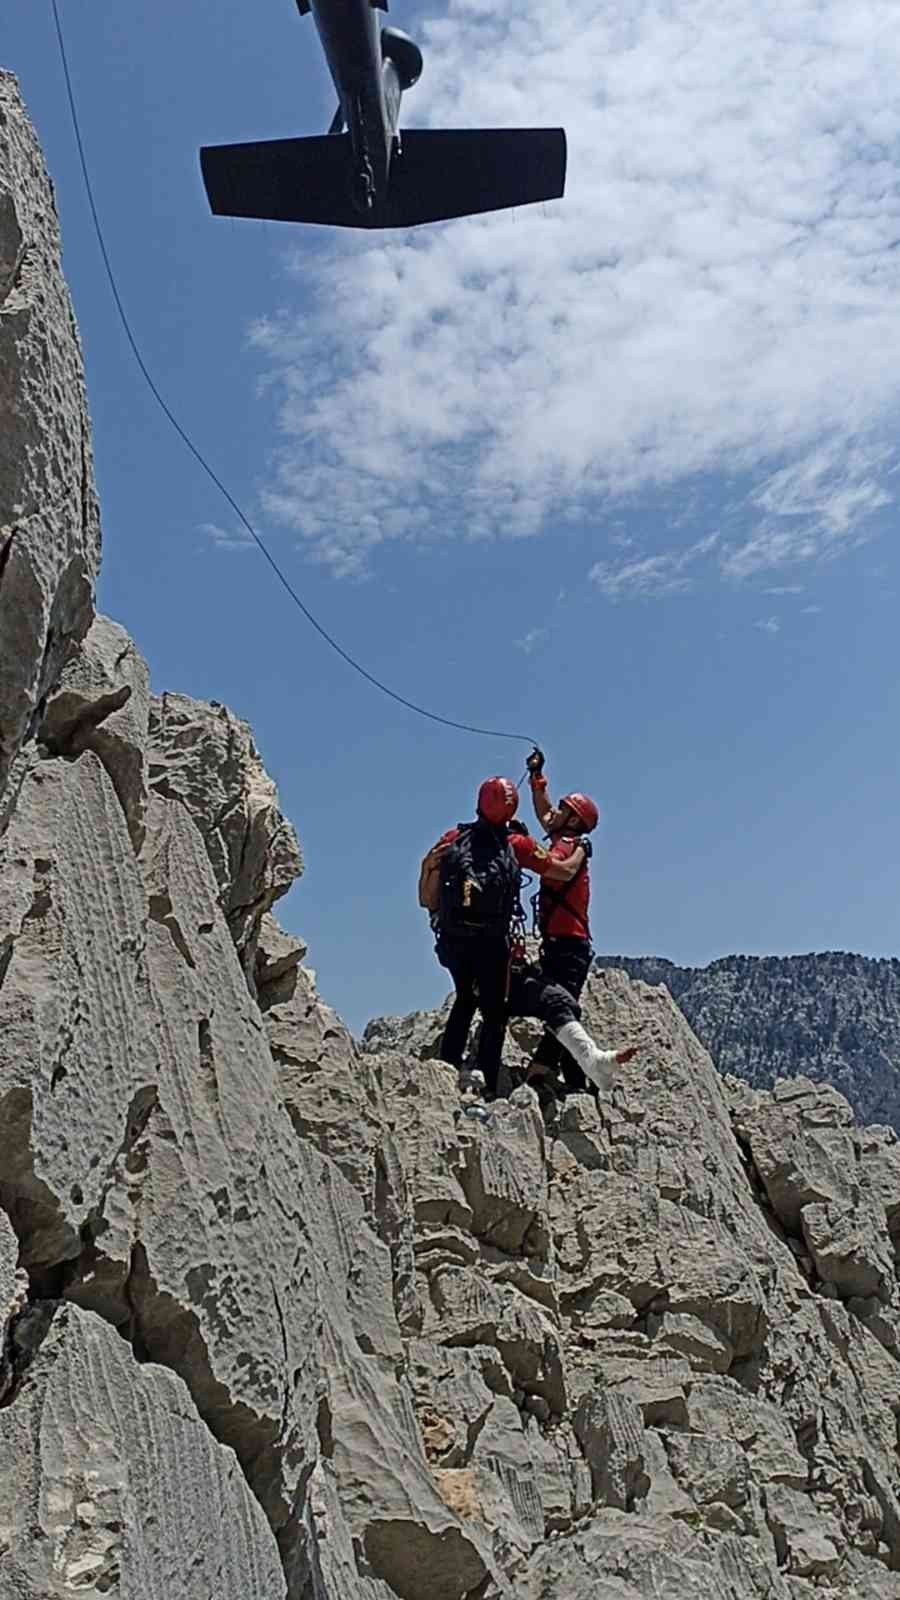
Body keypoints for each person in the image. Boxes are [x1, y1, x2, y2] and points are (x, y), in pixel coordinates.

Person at [418, 776, 587, 1099]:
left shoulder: (452, 839)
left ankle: (446, 1072)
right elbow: (561, 871)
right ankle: (489, 1090)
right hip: (493, 946)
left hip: (453, 944)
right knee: (495, 1013)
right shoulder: (517, 844)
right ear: (512, 809)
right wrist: (581, 850)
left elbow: (427, 899)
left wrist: (428, 869)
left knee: (465, 998)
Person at [524, 748, 601, 1097]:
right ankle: (578, 1080)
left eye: (564, 811)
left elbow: (558, 870)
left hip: (567, 945)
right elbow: (544, 812)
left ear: (573, 820)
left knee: (562, 1009)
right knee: (564, 1006)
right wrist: (538, 778)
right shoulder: (566, 839)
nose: (555, 814)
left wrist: (519, 851)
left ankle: (540, 1072)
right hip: (565, 943)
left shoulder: (568, 845)